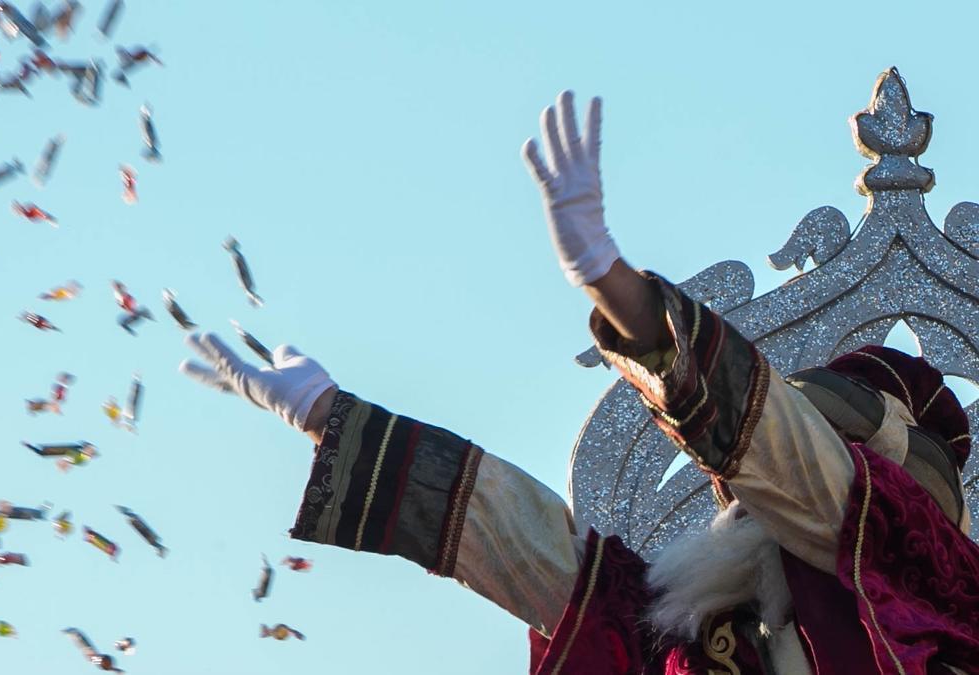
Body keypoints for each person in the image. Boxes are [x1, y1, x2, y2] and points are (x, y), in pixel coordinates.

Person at [180, 90, 979, 674]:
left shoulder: (926, 579)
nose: (757, 497)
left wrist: (619, 290)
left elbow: (800, 471)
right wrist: (329, 416)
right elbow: (523, 548)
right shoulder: (693, 636)